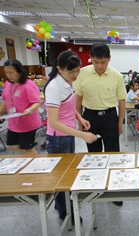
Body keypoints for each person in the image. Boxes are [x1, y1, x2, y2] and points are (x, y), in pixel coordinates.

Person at [44, 50, 98, 223]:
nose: (75, 75)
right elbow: (53, 122)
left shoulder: (67, 81)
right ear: (59, 69)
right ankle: (66, 213)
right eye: (71, 72)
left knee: (66, 174)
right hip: (58, 138)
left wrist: (80, 117)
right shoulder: (54, 87)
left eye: (77, 71)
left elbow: (67, 105)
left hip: (67, 135)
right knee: (62, 178)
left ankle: (61, 205)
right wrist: (82, 135)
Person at [74, 43, 127, 206]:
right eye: (96, 62)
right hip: (90, 118)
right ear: (90, 58)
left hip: (110, 117)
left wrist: (120, 124)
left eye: (103, 62)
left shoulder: (116, 75)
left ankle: (114, 191)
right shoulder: (82, 74)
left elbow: (122, 102)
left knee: (113, 154)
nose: (99, 66)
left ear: (109, 59)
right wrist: (80, 123)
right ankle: (96, 188)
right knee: (94, 154)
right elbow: (78, 100)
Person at [0, 59, 41, 154]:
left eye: (11, 72)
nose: (9, 75)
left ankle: (37, 164)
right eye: (6, 73)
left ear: (19, 71)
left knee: (28, 148)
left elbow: (37, 102)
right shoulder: (7, 84)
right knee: (12, 145)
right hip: (13, 122)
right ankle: (27, 161)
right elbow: (5, 100)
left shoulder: (28, 84)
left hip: (27, 123)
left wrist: (30, 109)